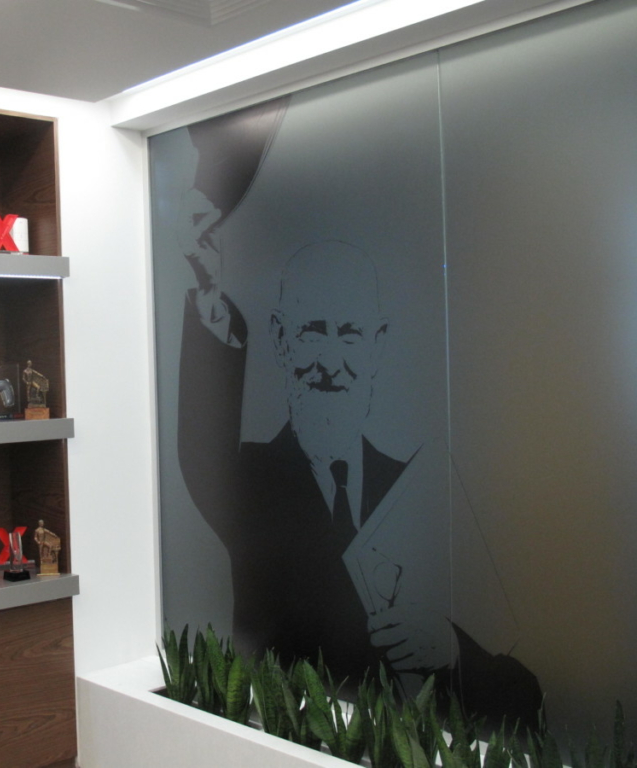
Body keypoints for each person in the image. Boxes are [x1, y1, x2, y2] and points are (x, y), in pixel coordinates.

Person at [176, 187, 542, 728]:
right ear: (280, 338)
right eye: (312, 332)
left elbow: (523, 699)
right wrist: (209, 299)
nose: (331, 361)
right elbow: (199, 449)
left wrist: (450, 651)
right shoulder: (248, 481)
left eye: (349, 335)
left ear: (377, 342)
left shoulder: (413, 491)